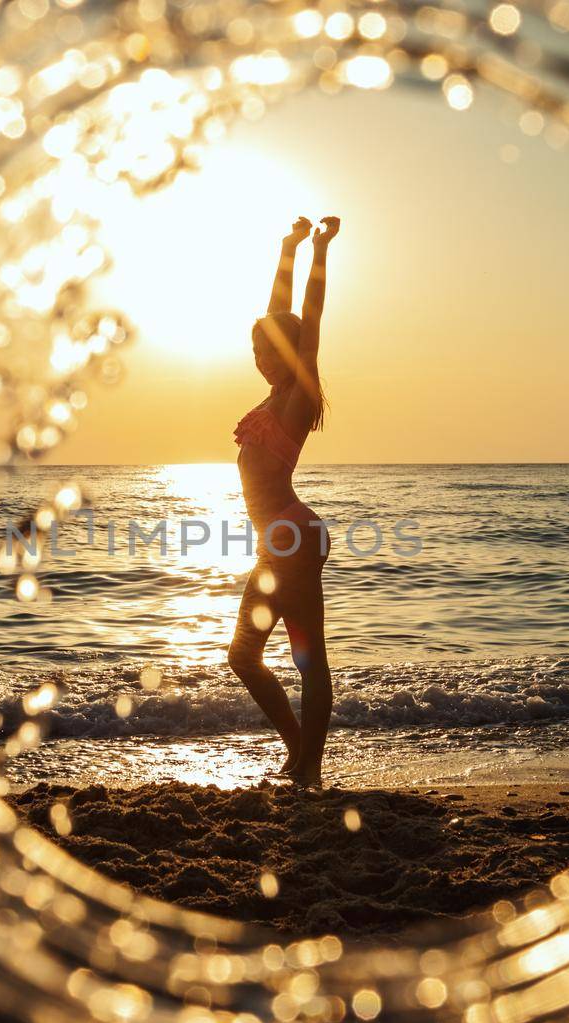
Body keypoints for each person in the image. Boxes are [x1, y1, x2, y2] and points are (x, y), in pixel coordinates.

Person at [227, 214, 339, 786]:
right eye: (254, 349)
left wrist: (318, 253)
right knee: (244, 657)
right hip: (279, 543)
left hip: (293, 538)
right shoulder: (272, 398)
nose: (260, 355)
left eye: (269, 350)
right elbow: (279, 311)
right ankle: (300, 754)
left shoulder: (298, 396)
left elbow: (307, 321)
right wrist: (286, 248)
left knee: (305, 655)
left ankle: (307, 765)